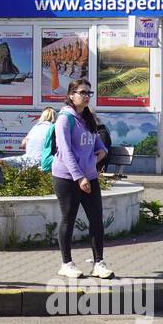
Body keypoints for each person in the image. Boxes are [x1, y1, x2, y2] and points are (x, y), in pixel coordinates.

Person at [52, 80, 112, 280]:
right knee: (68, 218)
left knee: (96, 220)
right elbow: (66, 152)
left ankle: (99, 263)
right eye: (82, 92)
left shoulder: (88, 118)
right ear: (71, 95)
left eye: (89, 93)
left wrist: (98, 156)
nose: (86, 96)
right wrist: (79, 177)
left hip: (90, 176)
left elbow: (99, 145)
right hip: (67, 177)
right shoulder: (64, 120)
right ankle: (66, 263)